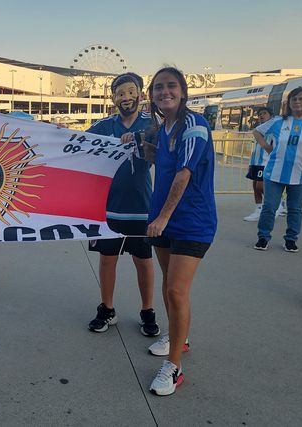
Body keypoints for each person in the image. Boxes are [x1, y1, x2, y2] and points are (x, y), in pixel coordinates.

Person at [141, 67, 217, 396]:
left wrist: (163, 218)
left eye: (171, 86)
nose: (164, 91)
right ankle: (178, 338)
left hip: (191, 220)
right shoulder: (162, 128)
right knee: (169, 284)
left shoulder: (194, 125)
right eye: (158, 87)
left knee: (175, 290)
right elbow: (161, 161)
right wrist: (142, 143)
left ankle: (174, 367)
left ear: (183, 91)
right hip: (163, 218)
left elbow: (184, 173)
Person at [85, 72, 159, 337]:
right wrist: (59, 134)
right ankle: (107, 308)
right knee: (108, 260)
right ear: (112, 98)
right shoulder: (105, 126)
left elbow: (165, 154)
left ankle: (147, 311)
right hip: (109, 208)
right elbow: (78, 145)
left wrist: (142, 141)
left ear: (140, 94)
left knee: (144, 261)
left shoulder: (153, 124)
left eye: (131, 91)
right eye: (120, 93)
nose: (126, 97)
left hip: (142, 207)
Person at [252, 87, 302, 253]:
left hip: (300, 175)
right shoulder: (278, 121)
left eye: (301, 99)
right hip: (274, 173)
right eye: (294, 99)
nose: (297, 102)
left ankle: (291, 239)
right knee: (269, 207)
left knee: (295, 209)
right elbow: (257, 131)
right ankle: (263, 237)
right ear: (289, 102)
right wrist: (266, 146)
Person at [243, 107, 273, 221]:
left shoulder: (271, 128)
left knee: (260, 186)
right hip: (256, 161)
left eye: (264, 113)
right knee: (255, 186)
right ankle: (258, 209)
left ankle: (277, 202)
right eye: (259, 114)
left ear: (270, 115)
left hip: (266, 161)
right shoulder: (258, 128)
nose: (261, 115)